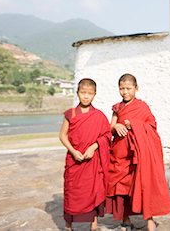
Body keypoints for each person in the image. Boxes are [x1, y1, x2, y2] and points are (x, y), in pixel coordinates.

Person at [106, 73, 170, 231]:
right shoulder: (117, 108)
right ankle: (125, 220)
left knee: (143, 185)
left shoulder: (142, 107)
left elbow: (151, 126)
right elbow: (110, 127)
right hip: (120, 154)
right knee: (121, 188)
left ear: (136, 88)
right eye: (121, 89)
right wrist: (116, 127)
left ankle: (149, 221)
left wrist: (134, 124)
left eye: (128, 88)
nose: (125, 92)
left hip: (138, 155)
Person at [59, 78, 111, 231]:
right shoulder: (71, 114)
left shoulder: (99, 116)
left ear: (95, 94)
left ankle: (93, 225)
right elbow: (62, 135)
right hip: (74, 160)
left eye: (90, 93)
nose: (86, 96)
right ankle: (69, 225)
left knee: (92, 191)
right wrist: (74, 151)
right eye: (83, 93)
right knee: (71, 192)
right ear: (77, 93)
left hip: (91, 161)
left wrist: (93, 147)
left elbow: (107, 135)